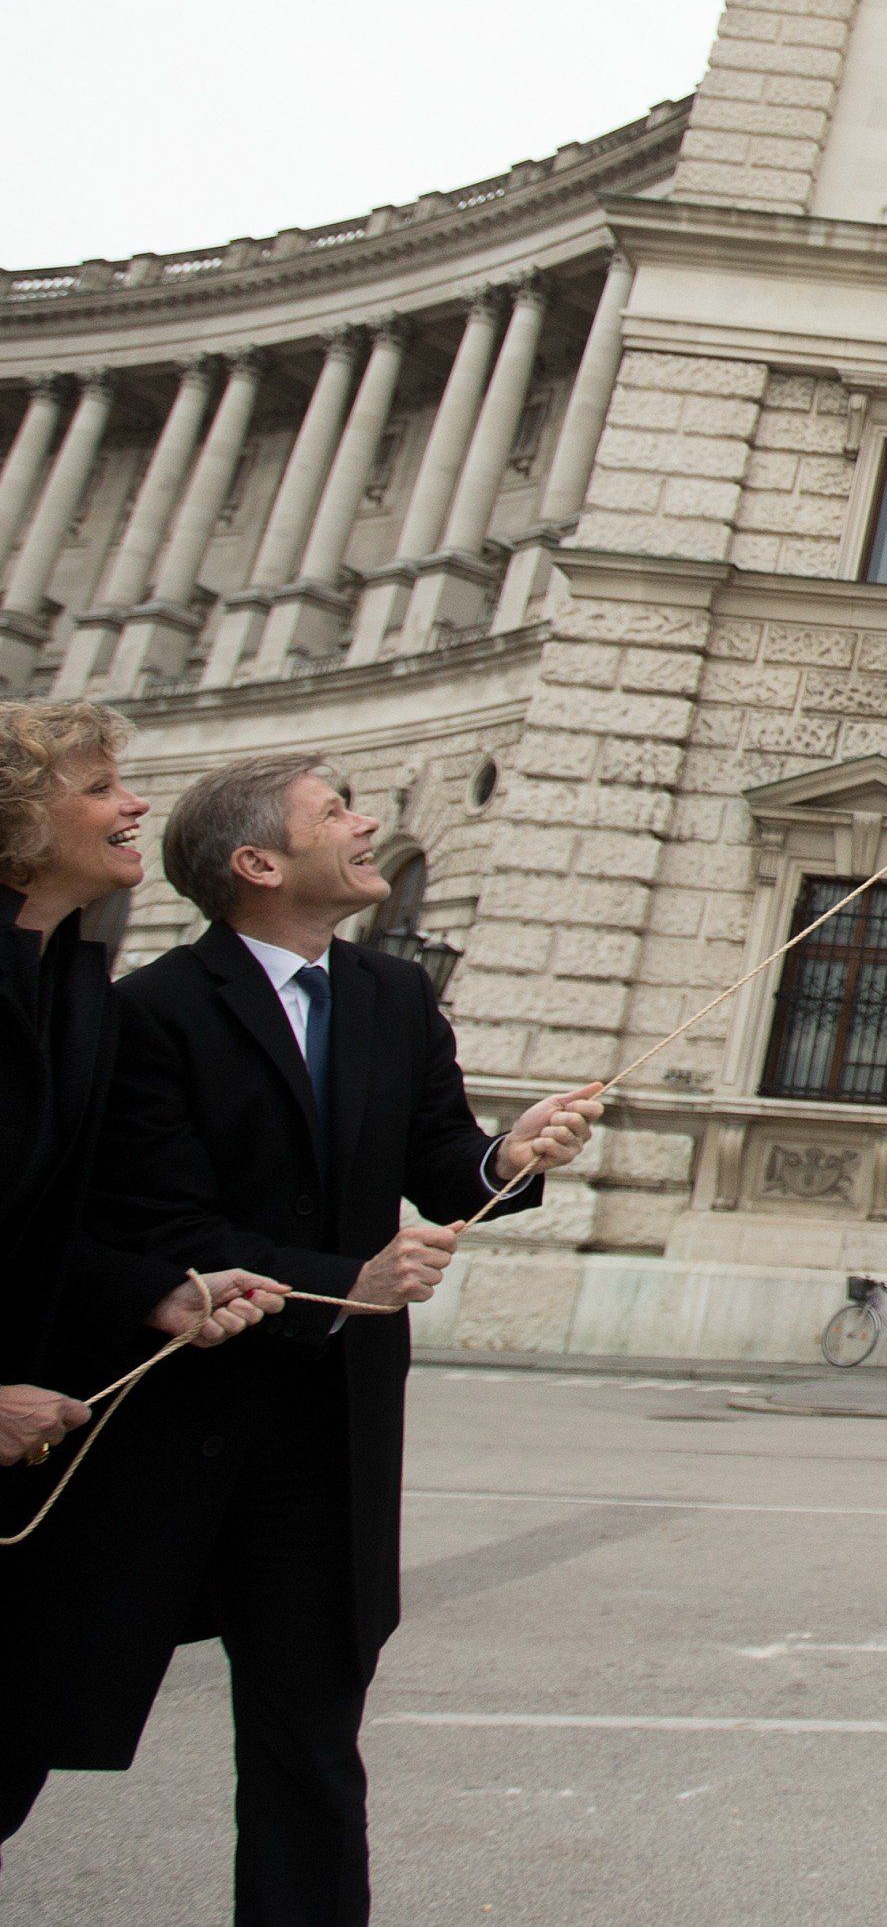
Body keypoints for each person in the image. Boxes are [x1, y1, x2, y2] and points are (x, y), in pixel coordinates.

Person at [17, 751, 603, 1925]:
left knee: (311, 1750)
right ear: (257, 863)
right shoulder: (156, 1011)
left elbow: (443, 1163)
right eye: (335, 811)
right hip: (179, 1434)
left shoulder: (391, 998)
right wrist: (351, 1280)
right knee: (37, 1717)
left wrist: (508, 1155)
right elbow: (165, 1223)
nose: (366, 823)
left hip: (329, 1438)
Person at [0, 704, 286, 1857]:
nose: (133, 807)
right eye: (103, 787)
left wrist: (155, 1293)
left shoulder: (72, 983)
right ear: (19, 820)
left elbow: (49, 1227)